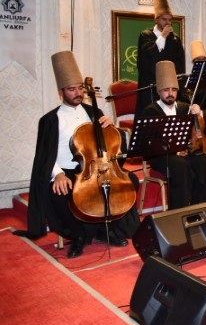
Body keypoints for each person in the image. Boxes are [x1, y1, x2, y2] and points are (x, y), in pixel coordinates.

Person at [15, 51, 139, 258]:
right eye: (72, 89)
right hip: (67, 171)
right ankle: (78, 235)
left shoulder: (94, 113)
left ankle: (106, 229)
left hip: (95, 168)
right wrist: (58, 174)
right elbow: (45, 155)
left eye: (80, 88)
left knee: (130, 181)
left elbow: (111, 146)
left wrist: (112, 128)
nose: (78, 93)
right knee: (57, 191)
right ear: (61, 92)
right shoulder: (50, 120)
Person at [139, 60, 206, 209]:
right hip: (162, 156)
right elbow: (149, 145)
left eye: (174, 90)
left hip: (185, 152)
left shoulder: (184, 107)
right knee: (180, 166)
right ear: (158, 91)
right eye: (166, 90)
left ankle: (205, 207)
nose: (170, 94)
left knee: (202, 162)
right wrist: (174, 151)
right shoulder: (151, 111)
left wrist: (199, 112)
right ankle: (180, 211)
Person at [135, 0, 186, 118]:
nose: (167, 23)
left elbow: (180, 66)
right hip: (151, 89)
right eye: (164, 19)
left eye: (170, 20)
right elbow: (145, 61)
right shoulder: (146, 35)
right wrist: (163, 36)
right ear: (156, 19)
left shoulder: (175, 39)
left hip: (170, 91)